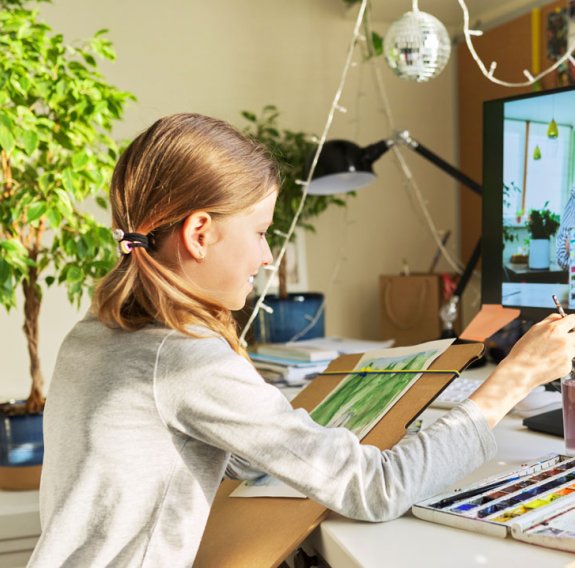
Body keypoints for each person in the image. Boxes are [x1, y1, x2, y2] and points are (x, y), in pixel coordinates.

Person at [29, 113, 575, 567]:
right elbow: (375, 490)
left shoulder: (96, 331)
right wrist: (515, 380)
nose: (267, 257)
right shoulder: (182, 358)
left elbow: (242, 457)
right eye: (261, 231)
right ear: (200, 233)